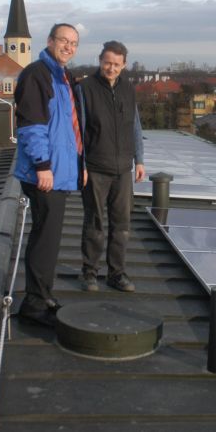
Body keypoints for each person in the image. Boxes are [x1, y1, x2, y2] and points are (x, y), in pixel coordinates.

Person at [13, 23, 84, 326]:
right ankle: (34, 304)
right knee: (45, 237)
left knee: (51, 237)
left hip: (60, 172)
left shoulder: (62, 76)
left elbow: (69, 130)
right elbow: (32, 125)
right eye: (63, 41)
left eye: (74, 43)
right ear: (50, 41)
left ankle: (44, 294)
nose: (68, 47)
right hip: (45, 173)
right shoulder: (37, 74)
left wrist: (80, 166)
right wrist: (42, 166)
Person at [78, 40, 145, 292]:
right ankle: (89, 273)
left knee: (122, 226)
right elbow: (80, 130)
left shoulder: (128, 89)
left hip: (123, 169)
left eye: (117, 64)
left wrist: (139, 160)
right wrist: (81, 165)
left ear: (124, 65)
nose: (111, 68)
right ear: (100, 60)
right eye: (107, 62)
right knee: (94, 223)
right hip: (95, 167)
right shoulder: (85, 88)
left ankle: (116, 274)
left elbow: (135, 126)